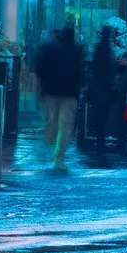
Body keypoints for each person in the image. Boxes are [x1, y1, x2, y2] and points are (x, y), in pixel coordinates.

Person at [32, 23, 85, 174]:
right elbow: (81, 72)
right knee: (65, 125)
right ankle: (59, 157)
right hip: (69, 93)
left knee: (52, 120)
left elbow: (39, 67)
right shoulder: (77, 49)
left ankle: (50, 139)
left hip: (51, 91)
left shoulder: (49, 46)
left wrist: (43, 86)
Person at [85, 23, 125, 165]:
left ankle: (100, 142)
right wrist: (117, 65)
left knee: (100, 116)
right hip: (103, 88)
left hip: (99, 88)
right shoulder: (105, 48)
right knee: (102, 116)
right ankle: (100, 143)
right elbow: (106, 68)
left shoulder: (101, 47)